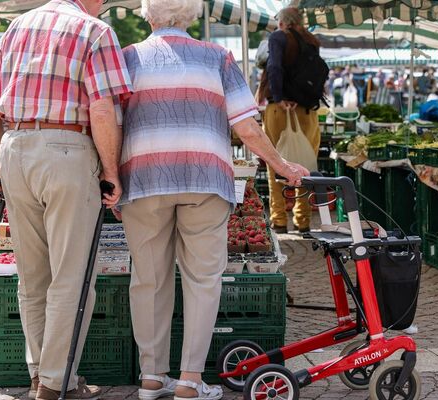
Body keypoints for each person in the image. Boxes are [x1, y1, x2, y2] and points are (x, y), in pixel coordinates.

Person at [117, 0, 309, 398]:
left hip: (144, 179)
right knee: (203, 280)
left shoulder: (127, 58)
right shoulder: (217, 57)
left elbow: (110, 123)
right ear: (190, 15)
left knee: (148, 279)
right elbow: (247, 126)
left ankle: (151, 377)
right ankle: (189, 380)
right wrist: (283, 164)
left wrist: (109, 175)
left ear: (148, 15)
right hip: (205, 179)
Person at [0, 0, 133, 397]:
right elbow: (101, 108)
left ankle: (40, 374)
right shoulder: (94, 30)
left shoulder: (18, 26)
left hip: (15, 147)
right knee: (72, 277)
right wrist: (112, 172)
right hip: (67, 147)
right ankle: (52, 381)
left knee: (32, 277)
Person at [256, 6, 322, 233]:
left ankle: (279, 220)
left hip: (278, 109)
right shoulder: (312, 40)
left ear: (282, 22)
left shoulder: (278, 37)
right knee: (304, 165)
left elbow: (273, 67)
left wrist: (281, 96)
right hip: (307, 112)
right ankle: (302, 221)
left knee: (275, 163)